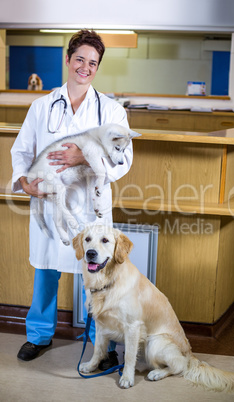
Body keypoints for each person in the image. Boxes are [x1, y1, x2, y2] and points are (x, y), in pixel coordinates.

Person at [11, 30, 133, 367]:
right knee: (46, 270)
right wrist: (25, 181)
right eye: (79, 59)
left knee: (96, 277)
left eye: (92, 62)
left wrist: (86, 157)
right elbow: (21, 151)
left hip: (91, 209)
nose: (85, 67)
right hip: (51, 206)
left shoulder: (110, 110)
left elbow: (124, 158)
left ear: (98, 67)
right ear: (67, 60)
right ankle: (38, 336)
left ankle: (101, 344)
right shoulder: (41, 107)